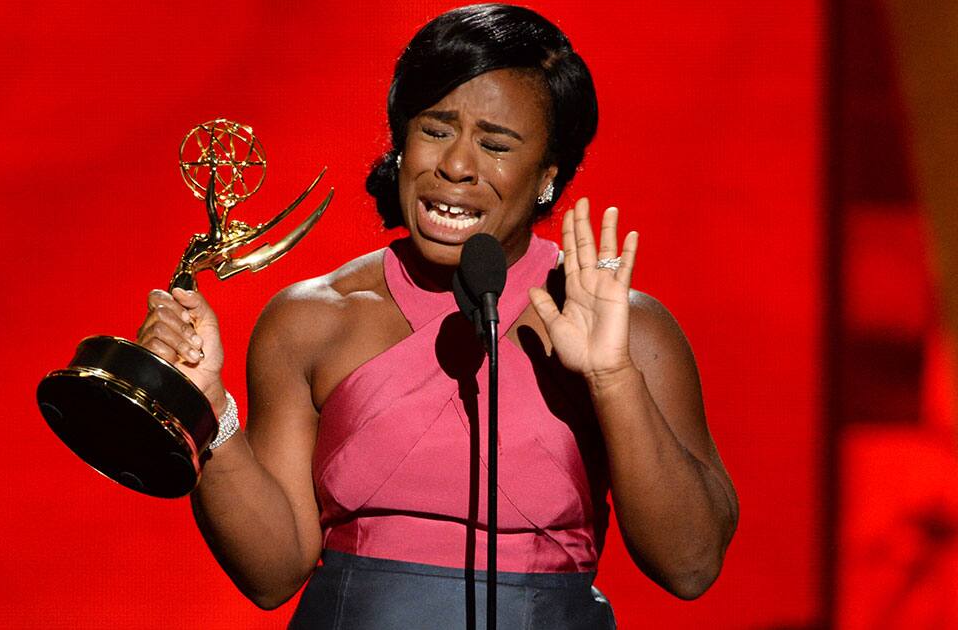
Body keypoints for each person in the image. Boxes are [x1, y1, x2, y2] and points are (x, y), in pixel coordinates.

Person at [137, 4, 738, 628]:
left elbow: (691, 566)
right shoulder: (313, 320)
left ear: (547, 177)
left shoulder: (629, 330)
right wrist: (204, 412)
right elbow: (270, 575)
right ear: (401, 142)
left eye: (495, 144)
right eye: (435, 130)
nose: (455, 166)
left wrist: (613, 378)